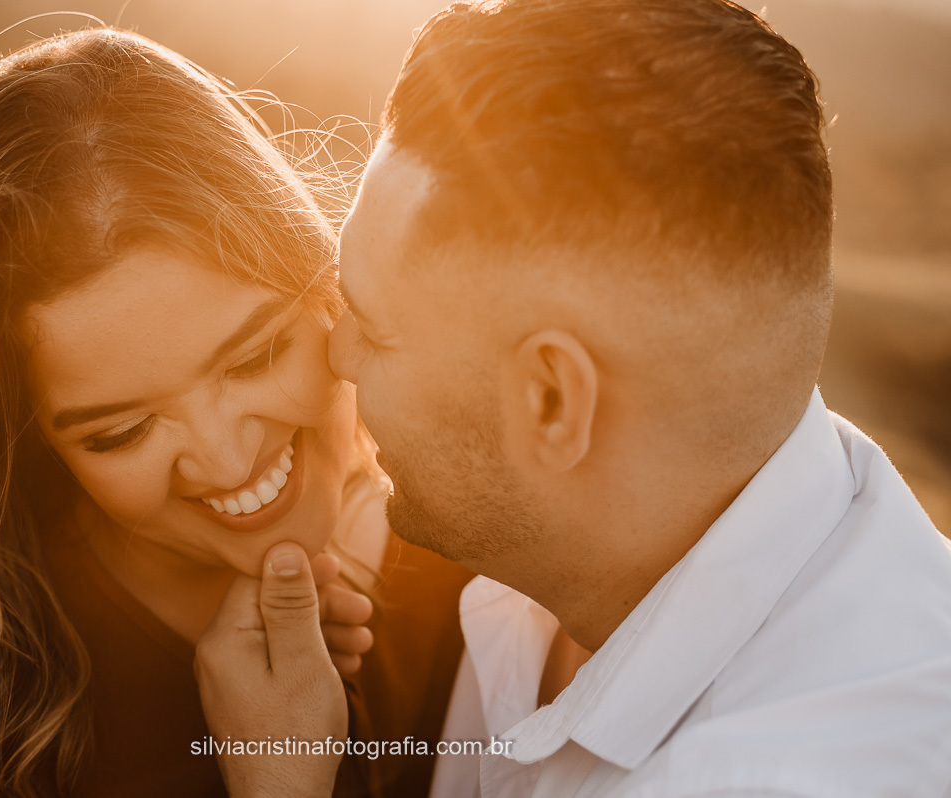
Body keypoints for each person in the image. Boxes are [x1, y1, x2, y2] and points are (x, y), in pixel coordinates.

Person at [195, 0, 951, 795]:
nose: (337, 357)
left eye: (377, 333)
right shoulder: (576, 550)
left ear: (552, 403)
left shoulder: (764, 775)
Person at [0, 29, 471, 798]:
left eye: (256, 357)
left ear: (322, 276)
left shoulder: (493, 539)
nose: (226, 460)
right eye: (120, 432)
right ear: (25, 433)